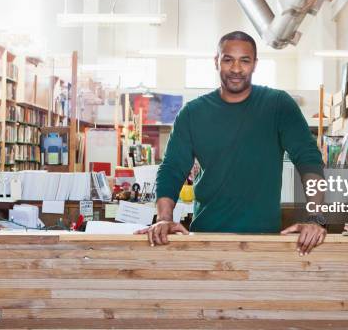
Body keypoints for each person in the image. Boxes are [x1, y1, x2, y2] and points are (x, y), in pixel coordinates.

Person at [136, 31, 327, 255]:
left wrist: (315, 217)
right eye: (228, 59)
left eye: (244, 61)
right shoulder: (192, 113)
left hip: (264, 242)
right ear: (216, 61)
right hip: (206, 239)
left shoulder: (278, 105)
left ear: (255, 64)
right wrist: (164, 219)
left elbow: (309, 161)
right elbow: (172, 169)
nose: (236, 69)